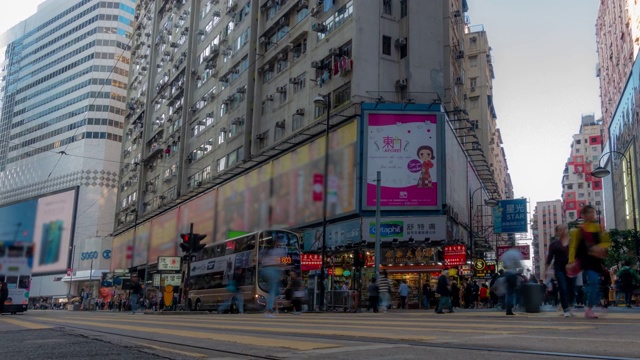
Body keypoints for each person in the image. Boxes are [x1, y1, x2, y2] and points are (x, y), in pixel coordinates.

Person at [567, 205, 611, 319]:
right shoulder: (578, 230)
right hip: (585, 260)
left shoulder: (599, 227)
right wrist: (571, 261)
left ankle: (590, 306)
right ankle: (589, 308)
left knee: (596, 283)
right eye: (590, 213)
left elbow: (606, 242)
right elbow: (573, 246)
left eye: (593, 212)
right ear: (584, 215)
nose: (592, 215)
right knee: (592, 281)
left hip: (596, 259)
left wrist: (600, 248)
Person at [260, 237, 287, 318]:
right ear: (277, 243)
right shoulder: (281, 251)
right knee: (273, 291)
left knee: (273, 291)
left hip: (264, 270)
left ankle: (268, 308)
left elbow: (259, 260)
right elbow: (283, 263)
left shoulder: (266, 251)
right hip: (273, 271)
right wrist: (283, 271)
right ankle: (268, 311)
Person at [501, 248, 523, 316]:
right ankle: (511, 308)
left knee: (508, 293)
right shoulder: (516, 254)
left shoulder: (504, 255)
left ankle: (508, 309)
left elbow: (504, 266)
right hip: (513, 274)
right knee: (513, 292)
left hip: (507, 274)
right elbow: (519, 265)